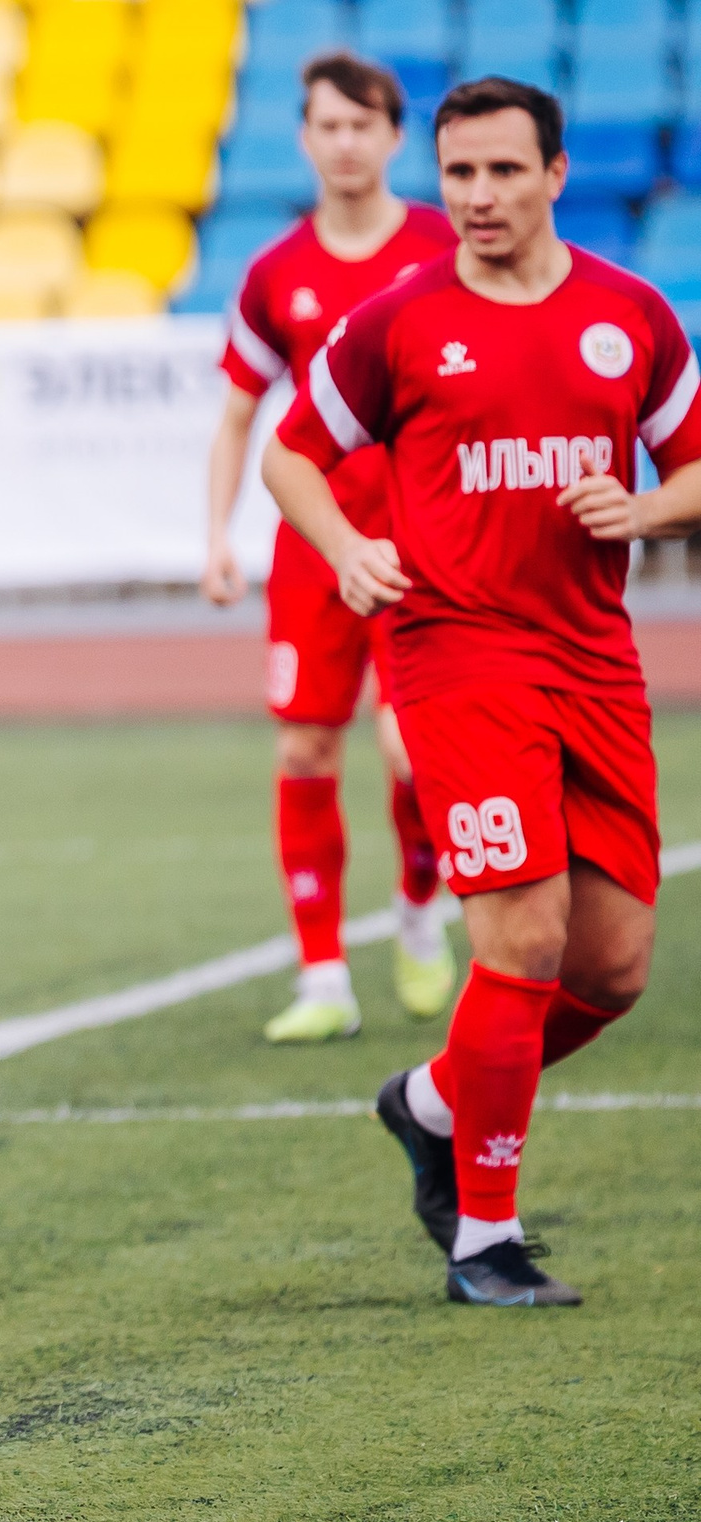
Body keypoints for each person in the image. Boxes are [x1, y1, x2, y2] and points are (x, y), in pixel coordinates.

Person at [263, 77, 697, 1306]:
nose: (479, 196)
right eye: (459, 174)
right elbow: (291, 452)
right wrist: (347, 554)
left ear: (555, 175)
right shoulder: (400, 322)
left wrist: (649, 507)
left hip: (595, 661)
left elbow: (695, 464)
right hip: (456, 658)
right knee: (520, 939)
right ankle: (483, 1241)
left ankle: (433, 1098)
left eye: (504, 171)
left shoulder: (629, 316)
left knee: (609, 971)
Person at [207, 52, 460, 1043]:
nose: (346, 142)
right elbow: (237, 417)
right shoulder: (278, 272)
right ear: (305, 138)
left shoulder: (446, 248)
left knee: (414, 755)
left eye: (365, 125)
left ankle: (416, 903)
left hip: (424, 547)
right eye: (329, 125)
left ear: (395, 138)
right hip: (317, 551)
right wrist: (218, 540)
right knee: (305, 744)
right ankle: (321, 977)